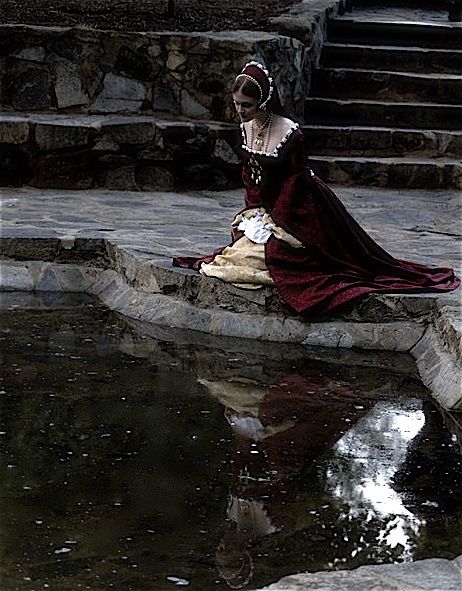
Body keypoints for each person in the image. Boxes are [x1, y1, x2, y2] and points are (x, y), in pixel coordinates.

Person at [174, 61, 460, 314]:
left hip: (300, 206)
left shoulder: (289, 133)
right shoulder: (247, 127)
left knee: (282, 254)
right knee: (240, 248)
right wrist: (256, 208)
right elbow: (251, 174)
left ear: (262, 102)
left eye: (245, 105)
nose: (239, 111)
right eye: (236, 104)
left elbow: (294, 181)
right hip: (269, 205)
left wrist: (277, 220)